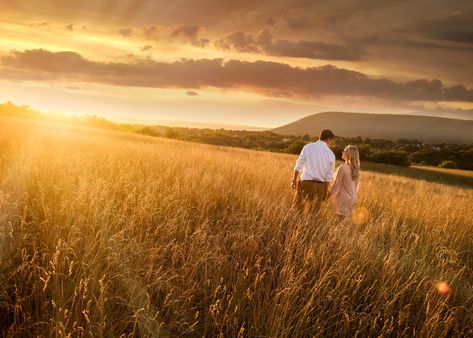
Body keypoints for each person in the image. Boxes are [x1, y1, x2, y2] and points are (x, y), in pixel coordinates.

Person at [291, 129, 336, 213]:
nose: (331, 143)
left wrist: (294, 179)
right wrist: (325, 192)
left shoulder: (308, 147)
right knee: (313, 216)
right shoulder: (331, 155)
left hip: (306, 184)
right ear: (329, 139)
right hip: (320, 188)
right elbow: (328, 177)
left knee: (296, 211)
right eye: (332, 141)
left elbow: (299, 164)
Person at [328, 145, 360, 219]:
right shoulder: (356, 170)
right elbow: (356, 188)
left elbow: (335, 188)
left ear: (348, 154)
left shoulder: (342, 168)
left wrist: (326, 196)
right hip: (353, 199)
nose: (342, 152)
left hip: (342, 200)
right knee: (345, 224)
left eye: (344, 151)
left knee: (338, 224)